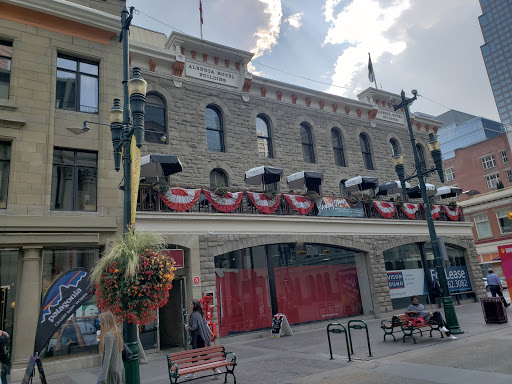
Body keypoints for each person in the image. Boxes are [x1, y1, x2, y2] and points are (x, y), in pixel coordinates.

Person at [185, 299, 219, 380]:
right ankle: (192, 373)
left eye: (191, 304)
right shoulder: (200, 313)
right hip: (201, 338)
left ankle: (216, 370)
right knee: (197, 356)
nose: (190, 306)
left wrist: (188, 328)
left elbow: (194, 327)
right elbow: (205, 324)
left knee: (202, 355)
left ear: (195, 305)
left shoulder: (193, 315)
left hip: (197, 339)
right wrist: (210, 332)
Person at [98, 312, 125, 384]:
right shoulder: (117, 332)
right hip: (119, 368)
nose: (99, 324)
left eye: (100, 321)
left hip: (111, 371)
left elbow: (107, 357)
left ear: (105, 322)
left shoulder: (109, 336)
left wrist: (103, 378)